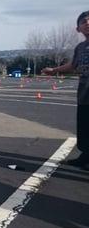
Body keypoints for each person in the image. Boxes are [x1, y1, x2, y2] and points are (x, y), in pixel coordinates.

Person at [42, 10, 89, 167]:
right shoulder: (80, 47)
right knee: (84, 124)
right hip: (84, 91)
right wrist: (53, 70)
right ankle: (86, 155)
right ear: (78, 29)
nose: (87, 23)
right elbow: (72, 65)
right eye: (83, 22)